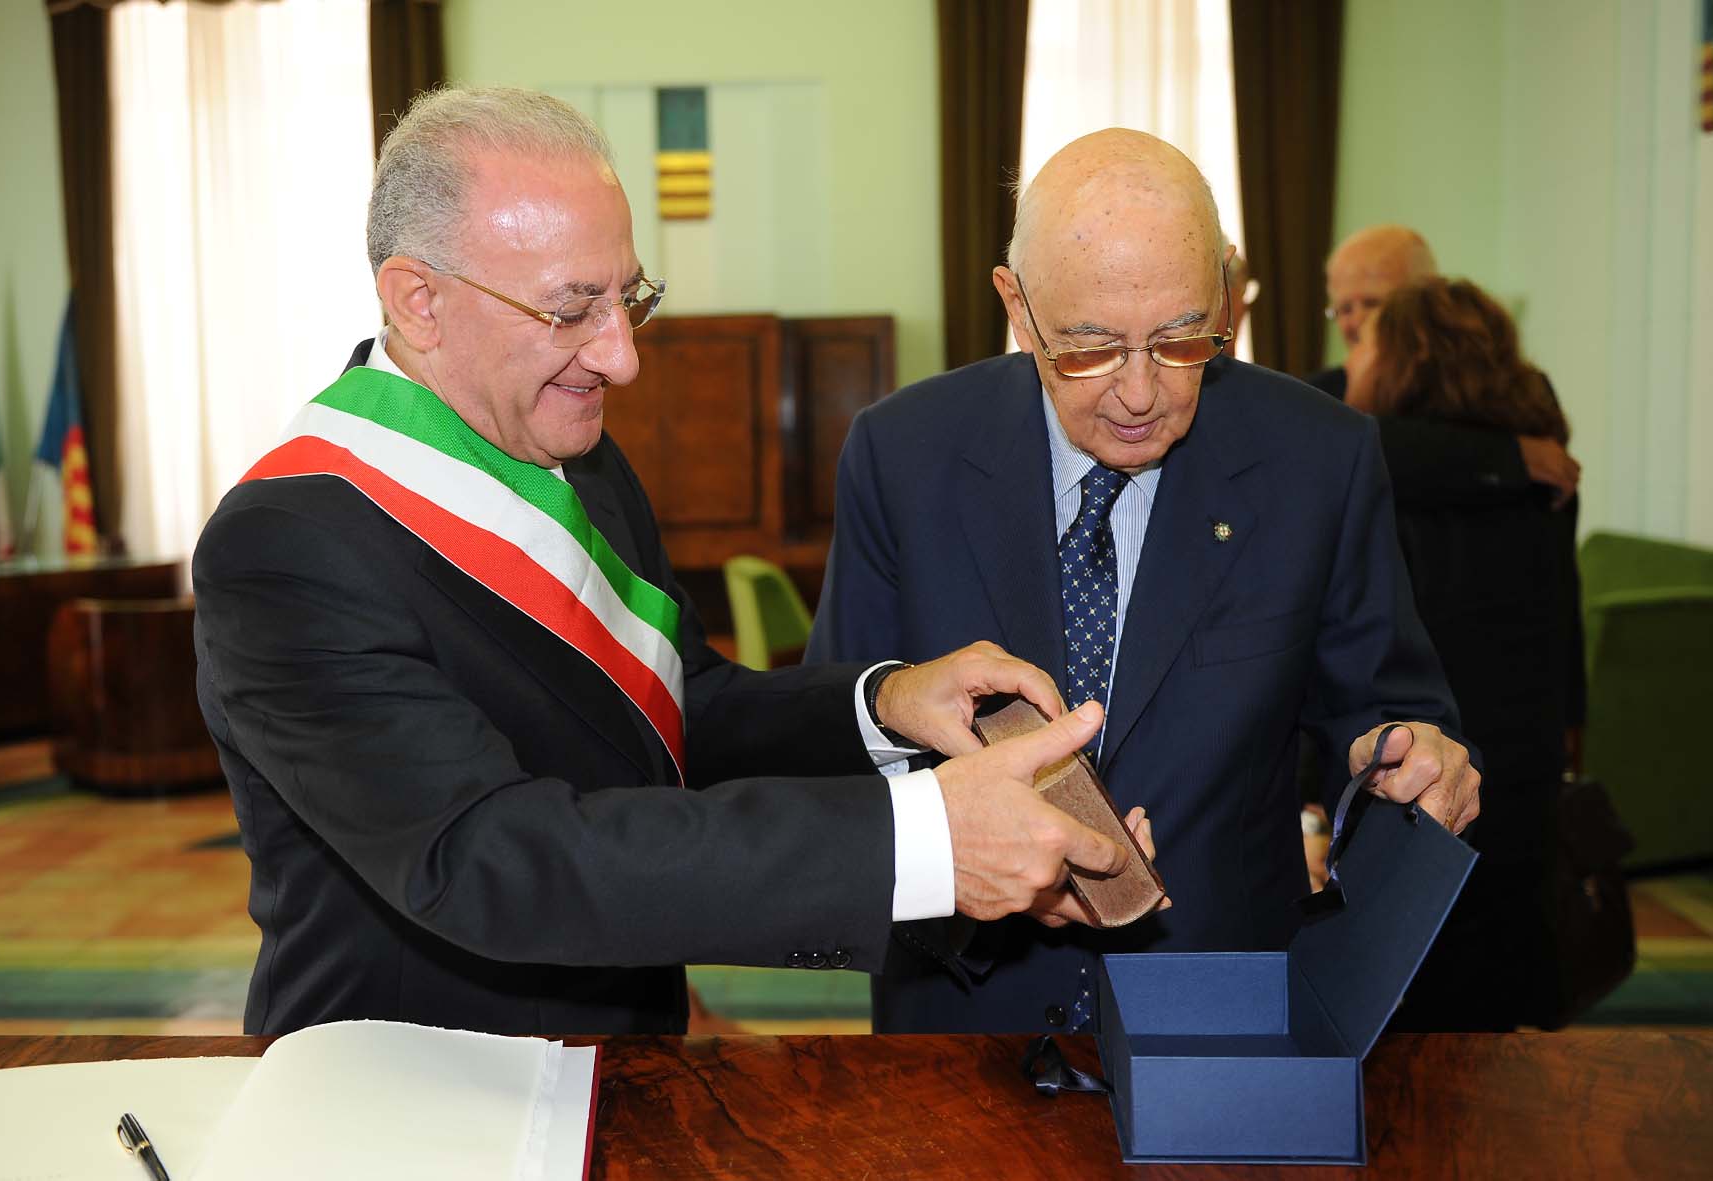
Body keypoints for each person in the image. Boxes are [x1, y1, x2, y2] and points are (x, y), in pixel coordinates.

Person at [192, 87, 1153, 1038]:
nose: (622, 359)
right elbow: (488, 858)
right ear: (420, 301)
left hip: (628, 1061)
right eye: (572, 310)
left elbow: (678, 709)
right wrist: (925, 843)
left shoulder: (579, 457)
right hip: (413, 1088)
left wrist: (886, 703)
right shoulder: (287, 544)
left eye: (630, 299)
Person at [807, 129, 1480, 1034]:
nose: (1138, 392)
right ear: (1017, 306)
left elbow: (1385, 709)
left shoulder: (1319, 458)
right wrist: (961, 858)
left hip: (1224, 1010)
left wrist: (1412, 760)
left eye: (1180, 340)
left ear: (1226, 297)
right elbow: (839, 740)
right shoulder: (902, 454)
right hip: (965, 1006)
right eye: (1089, 348)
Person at [1345, 277, 1584, 1030]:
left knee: (1420, 974)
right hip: (1523, 746)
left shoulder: (1388, 471)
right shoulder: (1534, 467)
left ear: (1407, 357)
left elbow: (1350, 432)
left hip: (1431, 751)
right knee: (1505, 962)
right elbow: (1567, 611)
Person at [1308, 225, 1581, 508]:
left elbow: (1556, 480)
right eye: (1343, 309)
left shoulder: (1514, 391)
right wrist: (1507, 455)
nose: (1356, 322)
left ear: (1429, 298)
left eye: (1373, 303)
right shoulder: (1316, 396)